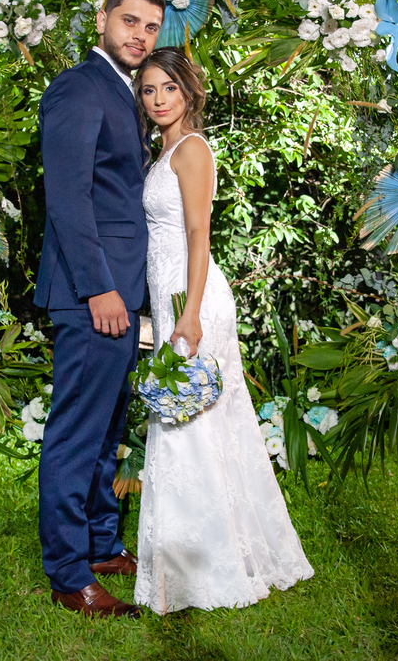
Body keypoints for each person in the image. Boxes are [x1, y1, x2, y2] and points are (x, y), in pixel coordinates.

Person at [133, 47, 314, 614]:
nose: (159, 100)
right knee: (190, 415)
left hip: (194, 299)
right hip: (169, 298)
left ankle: (204, 563)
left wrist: (188, 313)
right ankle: (198, 553)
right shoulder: (158, 152)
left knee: (189, 413)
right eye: (149, 90)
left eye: (169, 88)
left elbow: (197, 234)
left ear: (189, 91)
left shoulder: (192, 150)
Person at [34, 0, 165, 618]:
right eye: (130, 21)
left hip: (119, 290)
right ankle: (66, 573)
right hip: (95, 293)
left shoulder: (121, 90)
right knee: (76, 433)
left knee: (107, 430)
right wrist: (100, 288)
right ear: (103, 18)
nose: (140, 35)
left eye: (151, 27)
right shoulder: (78, 87)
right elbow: (68, 198)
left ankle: (100, 543)